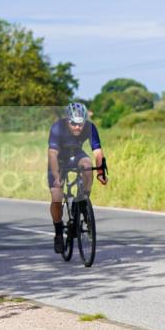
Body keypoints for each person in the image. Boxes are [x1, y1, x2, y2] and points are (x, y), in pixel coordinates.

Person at [48, 102, 107, 253]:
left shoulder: (90, 127)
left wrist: (100, 172)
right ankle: (59, 232)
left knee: (87, 165)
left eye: (80, 124)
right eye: (74, 124)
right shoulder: (57, 128)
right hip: (60, 159)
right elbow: (52, 154)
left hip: (77, 154)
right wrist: (56, 177)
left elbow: (98, 152)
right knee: (56, 196)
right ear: (68, 120)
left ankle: (83, 201)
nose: (77, 127)